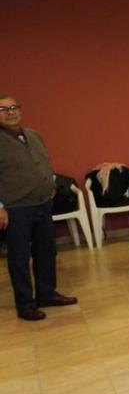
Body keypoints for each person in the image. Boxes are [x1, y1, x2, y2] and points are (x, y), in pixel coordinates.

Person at [0, 94, 77, 321]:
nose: (11, 112)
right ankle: (25, 303)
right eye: (3, 109)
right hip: (16, 207)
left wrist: (50, 184)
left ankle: (46, 293)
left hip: (43, 202)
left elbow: (43, 160)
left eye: (14, 107)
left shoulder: (34, 135)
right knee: (19, 257)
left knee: (47, 251)